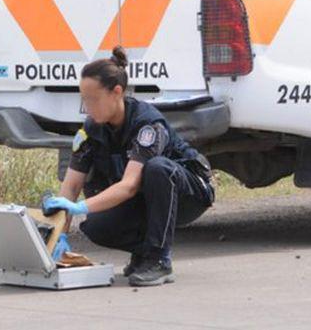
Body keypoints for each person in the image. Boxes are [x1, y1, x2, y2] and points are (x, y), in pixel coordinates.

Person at [44, 46, 214, 286]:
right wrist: (56, 237)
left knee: (157, 168)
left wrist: (79, 206)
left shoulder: (147, 124)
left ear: (116, 92)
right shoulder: (92, 129)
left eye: (93, 100)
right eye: (84, 100)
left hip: (189, 193)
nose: (88, 108)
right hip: (148, 198)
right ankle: (144, 253)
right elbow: (71, 186)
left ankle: (158, 259)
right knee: (95, 226)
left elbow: (129, 186)